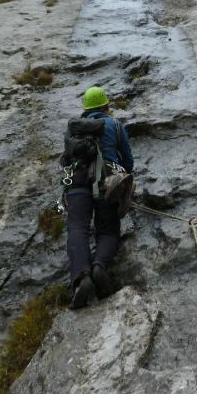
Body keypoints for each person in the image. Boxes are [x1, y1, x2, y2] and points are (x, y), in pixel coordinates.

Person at [63, 86, 134, 310]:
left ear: (85, 109)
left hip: (76, 184)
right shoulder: (114, 125)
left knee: (77, 229)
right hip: (107, 183)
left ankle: (82, 279)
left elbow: (66, 159)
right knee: (108, 230)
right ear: (106, 106)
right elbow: (128, 161)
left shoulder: (73, 129)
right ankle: (99, 267)